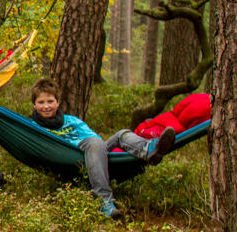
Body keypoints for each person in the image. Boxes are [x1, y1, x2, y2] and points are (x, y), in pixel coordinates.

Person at [29, 78, 176, 219]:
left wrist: (98, 148)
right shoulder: (32, 127)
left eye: (50, 101)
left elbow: (95, 139)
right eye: (41, 102)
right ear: (34, 105)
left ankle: (149, 149)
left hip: (93, 152)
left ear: (58, 102)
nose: (46, 106)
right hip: (69, 155)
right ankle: (104, 201)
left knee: (121, 134)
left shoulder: (71, 121)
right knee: (94, 143)